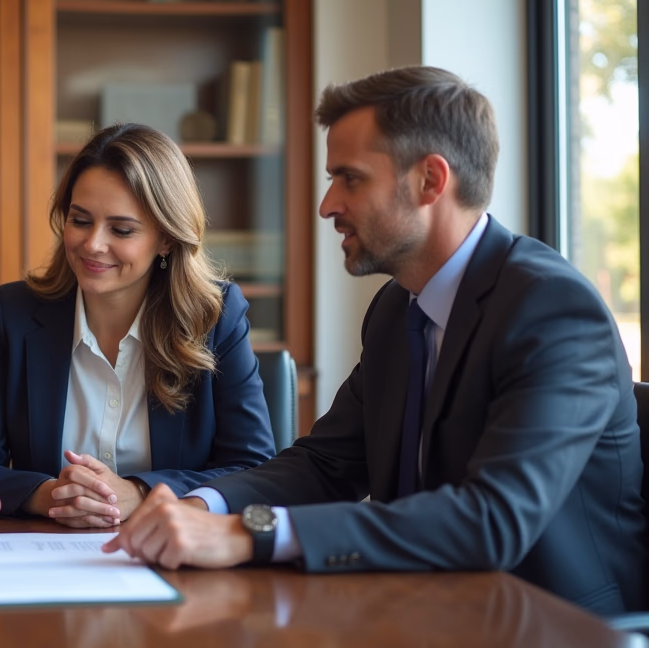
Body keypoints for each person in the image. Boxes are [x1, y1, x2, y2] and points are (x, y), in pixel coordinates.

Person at [103, 66, 645, 615]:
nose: (327, 205)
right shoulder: (397, 309)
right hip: (421, 609)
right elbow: (326, 465)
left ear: (431, 181)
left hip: (552, 623)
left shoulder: (552, 311)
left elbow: (493, 520)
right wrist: (200, 505)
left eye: (350, 178)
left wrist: (252, 534)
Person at [0, 124, 276, 528]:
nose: (93, 244)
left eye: (121, 230)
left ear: (167, 240)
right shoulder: (12, 313)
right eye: (80, 220)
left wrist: (141, 493)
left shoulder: (216, 317)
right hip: (46, 553)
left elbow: (253, 469)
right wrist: (46, 495)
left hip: (176, 555)